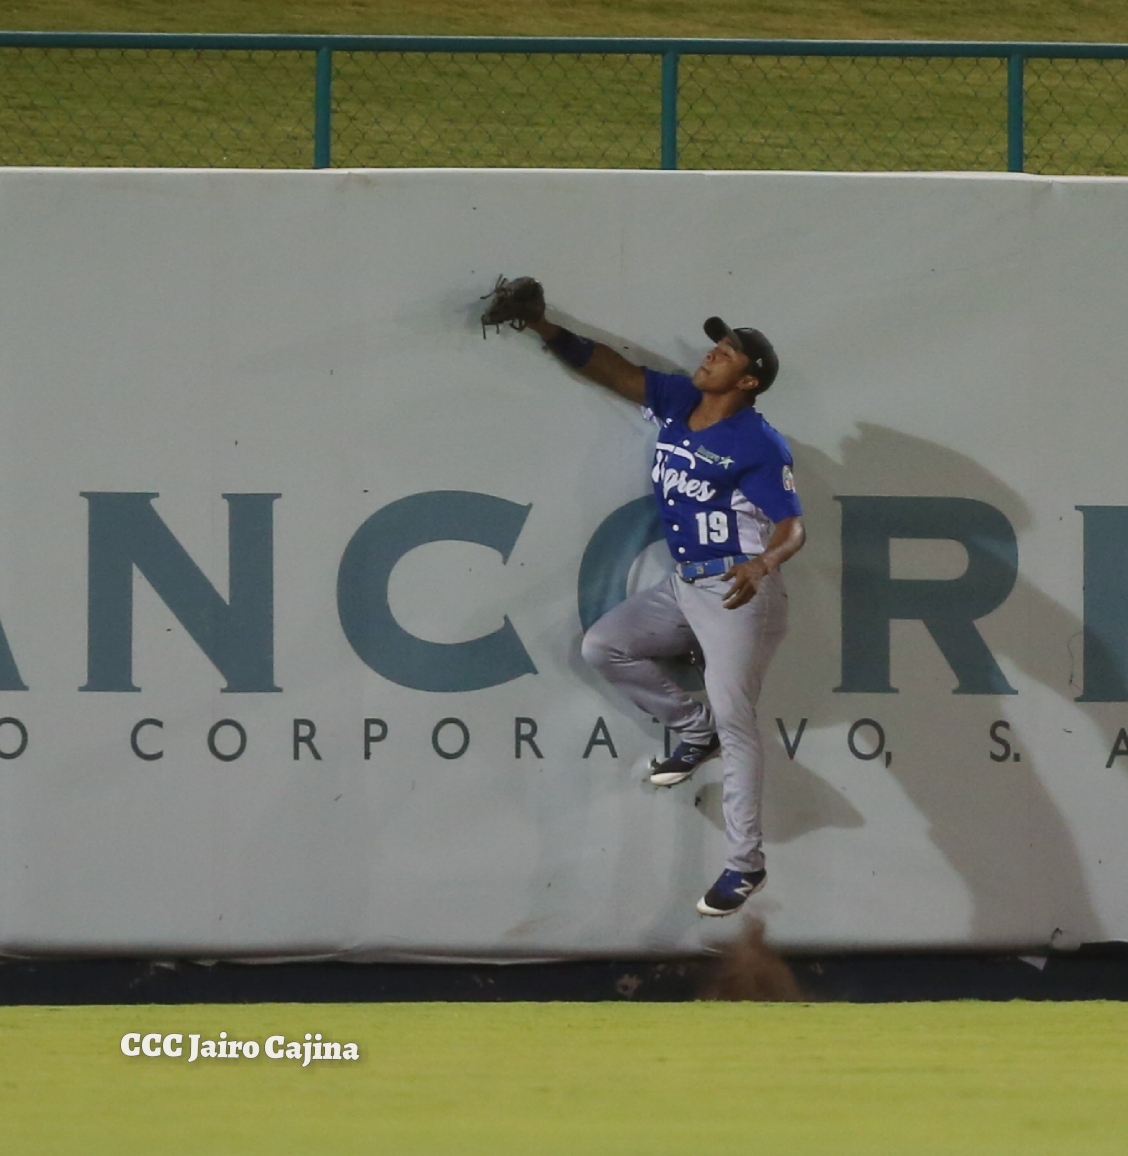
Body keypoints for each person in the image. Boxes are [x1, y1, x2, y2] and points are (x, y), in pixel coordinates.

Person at [485, 280, 805, 916]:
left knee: (741, 726)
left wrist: (765, 563)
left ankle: (746, 865)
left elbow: (795, 525)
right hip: (687, 584)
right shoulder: (681, 398)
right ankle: (691, 729)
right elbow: (613, 370)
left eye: (730, 352)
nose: (715, 352)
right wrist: (546, 327)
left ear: (749, 382)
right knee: (606, 645)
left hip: (738, 592)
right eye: (717, 343)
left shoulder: (758, 442)